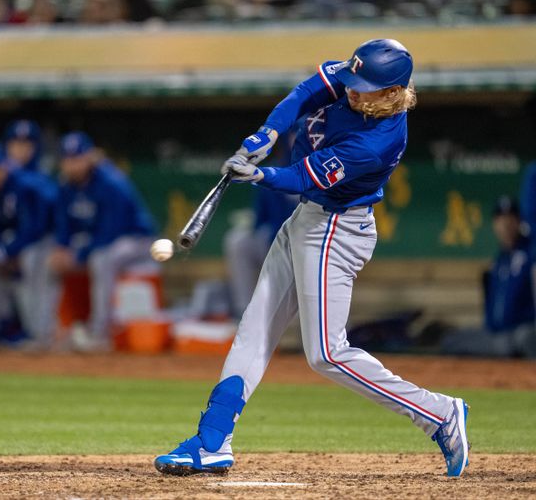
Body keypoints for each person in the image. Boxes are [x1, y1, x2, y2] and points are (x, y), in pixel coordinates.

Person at [154, 39, 470, 478]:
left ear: (393, 92)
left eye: (364, 88)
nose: (352, 91)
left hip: (335, 230)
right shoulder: (358, 80)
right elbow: (305, 92)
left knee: (326, 353)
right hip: (309, 221)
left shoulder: (377, 141)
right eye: (353, 82)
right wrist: (267, 133)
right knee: (255, 328)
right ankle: (211, 441)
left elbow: (304, 177)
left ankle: (439, 414)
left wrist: (259, 174)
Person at [50, 132, 157, 350]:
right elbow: (63, 225)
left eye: (78, 158)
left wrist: (77, 254)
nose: (73, 165)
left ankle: (100, 333)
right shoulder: (65, 185)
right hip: (97, 241)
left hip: (137, 240)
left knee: (102, 259)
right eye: (68, 159)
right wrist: (61, 248)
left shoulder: (110, 181)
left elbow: (109, 232)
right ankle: (49, 331)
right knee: (50, 261)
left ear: (90, 156)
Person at [0, 142, 51, 342]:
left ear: (5, 166)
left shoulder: (24, 185)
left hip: (40, 241)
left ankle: (37, 333)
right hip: (8, 242)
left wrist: (3, 253)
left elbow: (33, 229)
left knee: (29, 265)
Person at [441, 197, 535, 357]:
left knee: (525, 337)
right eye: (501, 220)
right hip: (495, 335)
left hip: (520, 331)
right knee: (453, 340)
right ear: (495, 224)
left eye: (511, 219)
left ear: (519, 222)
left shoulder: (530, 254)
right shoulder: (499, 261)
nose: (506, 225)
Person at [2, 120, 59, 347]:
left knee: (35, 266)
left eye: (27, 144)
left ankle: (41, 334)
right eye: (16, 144)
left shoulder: (40, 179)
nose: (21, 149)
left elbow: (38, 225)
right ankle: (24, 330)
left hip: (41, 242)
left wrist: (10, 248)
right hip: (15, 244)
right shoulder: (1, 175)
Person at [224, 187, 297, 316]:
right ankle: (244, 310)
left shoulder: (320, 172)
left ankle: (295, 313)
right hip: (273, 241)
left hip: (310, 243)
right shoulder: (272, 174)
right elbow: (260, 219)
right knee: (238, 242)